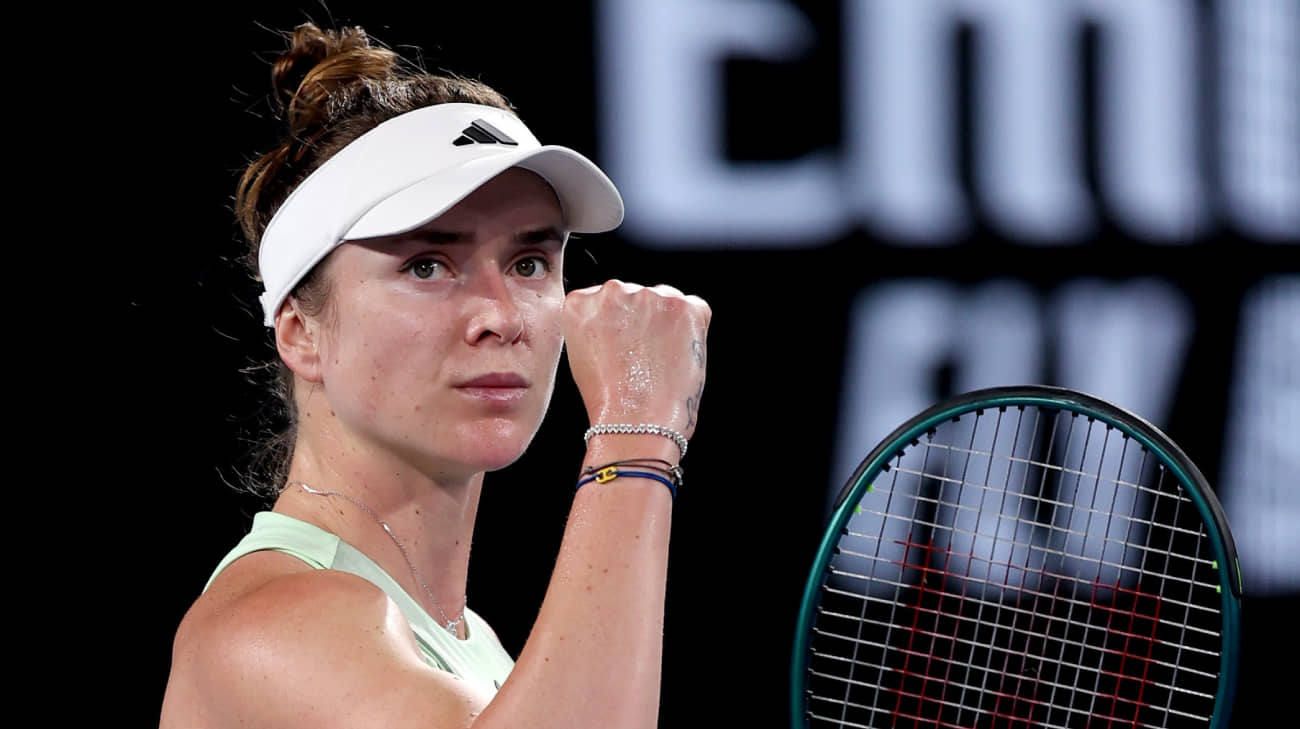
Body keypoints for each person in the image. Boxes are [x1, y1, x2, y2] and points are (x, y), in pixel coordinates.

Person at [159, 21, 710, 729]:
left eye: (529, 263)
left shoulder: (471, 647)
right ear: (300, 331)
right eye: (427, 265)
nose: (501, 316)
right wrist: (636, 434)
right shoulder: (273, 623)